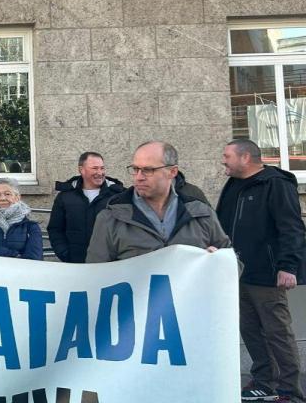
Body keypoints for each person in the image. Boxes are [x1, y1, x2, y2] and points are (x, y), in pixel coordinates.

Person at [217, 139, 305, 403]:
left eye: (227, 155)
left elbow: (292, 228)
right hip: (238, 274)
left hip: (267, 274)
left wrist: (288, 266)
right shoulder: (233, 185)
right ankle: (264, 381)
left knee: (277, 331)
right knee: (250, 330)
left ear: (245, 158)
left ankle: (290, 390)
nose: (223, 160)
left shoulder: (275, 184)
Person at [86, 141, 229, 263]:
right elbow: (96, 274)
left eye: (148, 170)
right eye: (135, 169)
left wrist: (218, 261)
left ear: (172, 172)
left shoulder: (201, 213)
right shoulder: (110, 218)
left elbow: (232, 263)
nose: (138, 177)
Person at [47, 152, 125, 263]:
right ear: (81, 170)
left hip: (109, 265)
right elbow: (55, 229)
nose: (100, 172)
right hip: (75, 265)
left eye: (102, 168)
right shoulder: (65, 197)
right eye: (95, 168)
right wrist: (65, 254)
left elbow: (126, 231)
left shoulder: (117, 196)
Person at [0, 178, 43, 260]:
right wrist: (13, 255)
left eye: (7, 194)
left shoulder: (30, 226)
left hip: (21, 270)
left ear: (17, 197)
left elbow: (34, 257)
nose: (3, 198)